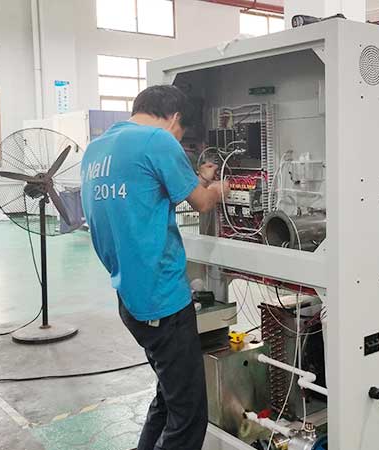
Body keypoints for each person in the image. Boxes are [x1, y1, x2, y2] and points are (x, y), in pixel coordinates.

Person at [81, 85, 229, 450]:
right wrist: (223, 187)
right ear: (175, 117)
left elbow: (145, 197)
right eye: (180, 133)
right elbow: (203, 204)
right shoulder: (157, 141)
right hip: (163, 300)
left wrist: (200, 179)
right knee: (189, 415)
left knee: (168, 396)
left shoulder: (97, 149)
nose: (178, 141)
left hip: (130, 297)